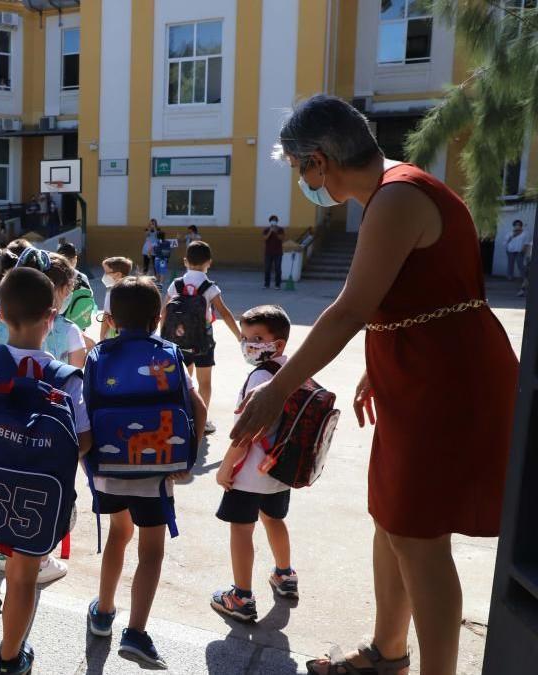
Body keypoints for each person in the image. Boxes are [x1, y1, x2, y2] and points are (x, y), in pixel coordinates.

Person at [232, 95, 517, 675]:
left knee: (419, 535)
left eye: (298, 169)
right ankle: (388, 651)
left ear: (319, 160)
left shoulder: (396, 198)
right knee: (392, 518)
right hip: (420, 372)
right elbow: (419, 296)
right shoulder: (398, 192)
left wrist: (277, 390)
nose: (302, 183)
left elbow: (346, 310)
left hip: (444, 381)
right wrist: (376, 363)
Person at [0, 267, 92, 674]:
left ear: (0, 317)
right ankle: (11, 659)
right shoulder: (66, 380)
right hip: (38, 498)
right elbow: (83, 440)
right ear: (52, 317)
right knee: (25, 578)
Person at [86, 276, 206, 668]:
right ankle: (136, 632)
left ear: (110, 318)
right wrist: (184, 460)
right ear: (158, 318)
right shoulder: (169, 352)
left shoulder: (97, 356)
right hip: (156, 473)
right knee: (151, 551)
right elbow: (198, 407)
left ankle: (103, 612)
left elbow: (83, 412)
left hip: (108, 468)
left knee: (118, 536)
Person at [211, 305, 296, 625]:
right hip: (279, 471)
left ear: (279, 343)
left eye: (258, 338)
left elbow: (245, 433)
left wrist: (225, 468)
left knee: (242, 530)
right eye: (245, 338)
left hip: (248, 474)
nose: (249, 344)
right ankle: (285, 575)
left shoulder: (259, 377)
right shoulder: (291, 369)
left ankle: (241, 597)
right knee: (275, 519)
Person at [162, 241, 242, 433]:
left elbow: (164, 311)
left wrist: (162, 336)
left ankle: (183, 415)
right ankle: (202, 420)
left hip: (178, 339)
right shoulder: (209, 287)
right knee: (204, 382)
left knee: (184, 379)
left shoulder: (177, 284)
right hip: (203, 340)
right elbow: (224, 312)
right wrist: (239, 336)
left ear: (185, 261)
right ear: (209, 262)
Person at [99, 256, 134, 342]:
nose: (104, 276)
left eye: (107, 272)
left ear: (118, 274)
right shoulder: (133, 288)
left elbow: (106, 315)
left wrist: (101, 337)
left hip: (113, 334)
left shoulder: (112, 291)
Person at [505, 219, 530, 286]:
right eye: (516, 225)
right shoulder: (510, 233)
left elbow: (526, 243)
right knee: (510, 264)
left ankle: (525, 278)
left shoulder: (525, 233)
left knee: (520, 265)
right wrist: (513, 235)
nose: (517, 226)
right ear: (514, 225)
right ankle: (510, 277)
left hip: (520, 251)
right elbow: (506, 241)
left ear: (521, 226)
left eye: (518, 225)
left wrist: (523, 250)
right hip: (510, 251)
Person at [263, 215, 286, 290]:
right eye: (272, 220)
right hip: (268, 253)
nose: (274, 221)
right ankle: (266, 284)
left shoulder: (280, 229)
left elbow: (281, 238)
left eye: (275, 220)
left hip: (278, 253)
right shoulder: (266, 229)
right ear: (270, 221)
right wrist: (270, 231)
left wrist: (275, 232)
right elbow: (265, 238)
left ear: (277, 221)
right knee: (267, 269)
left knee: (278, 269)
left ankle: (277, 285)